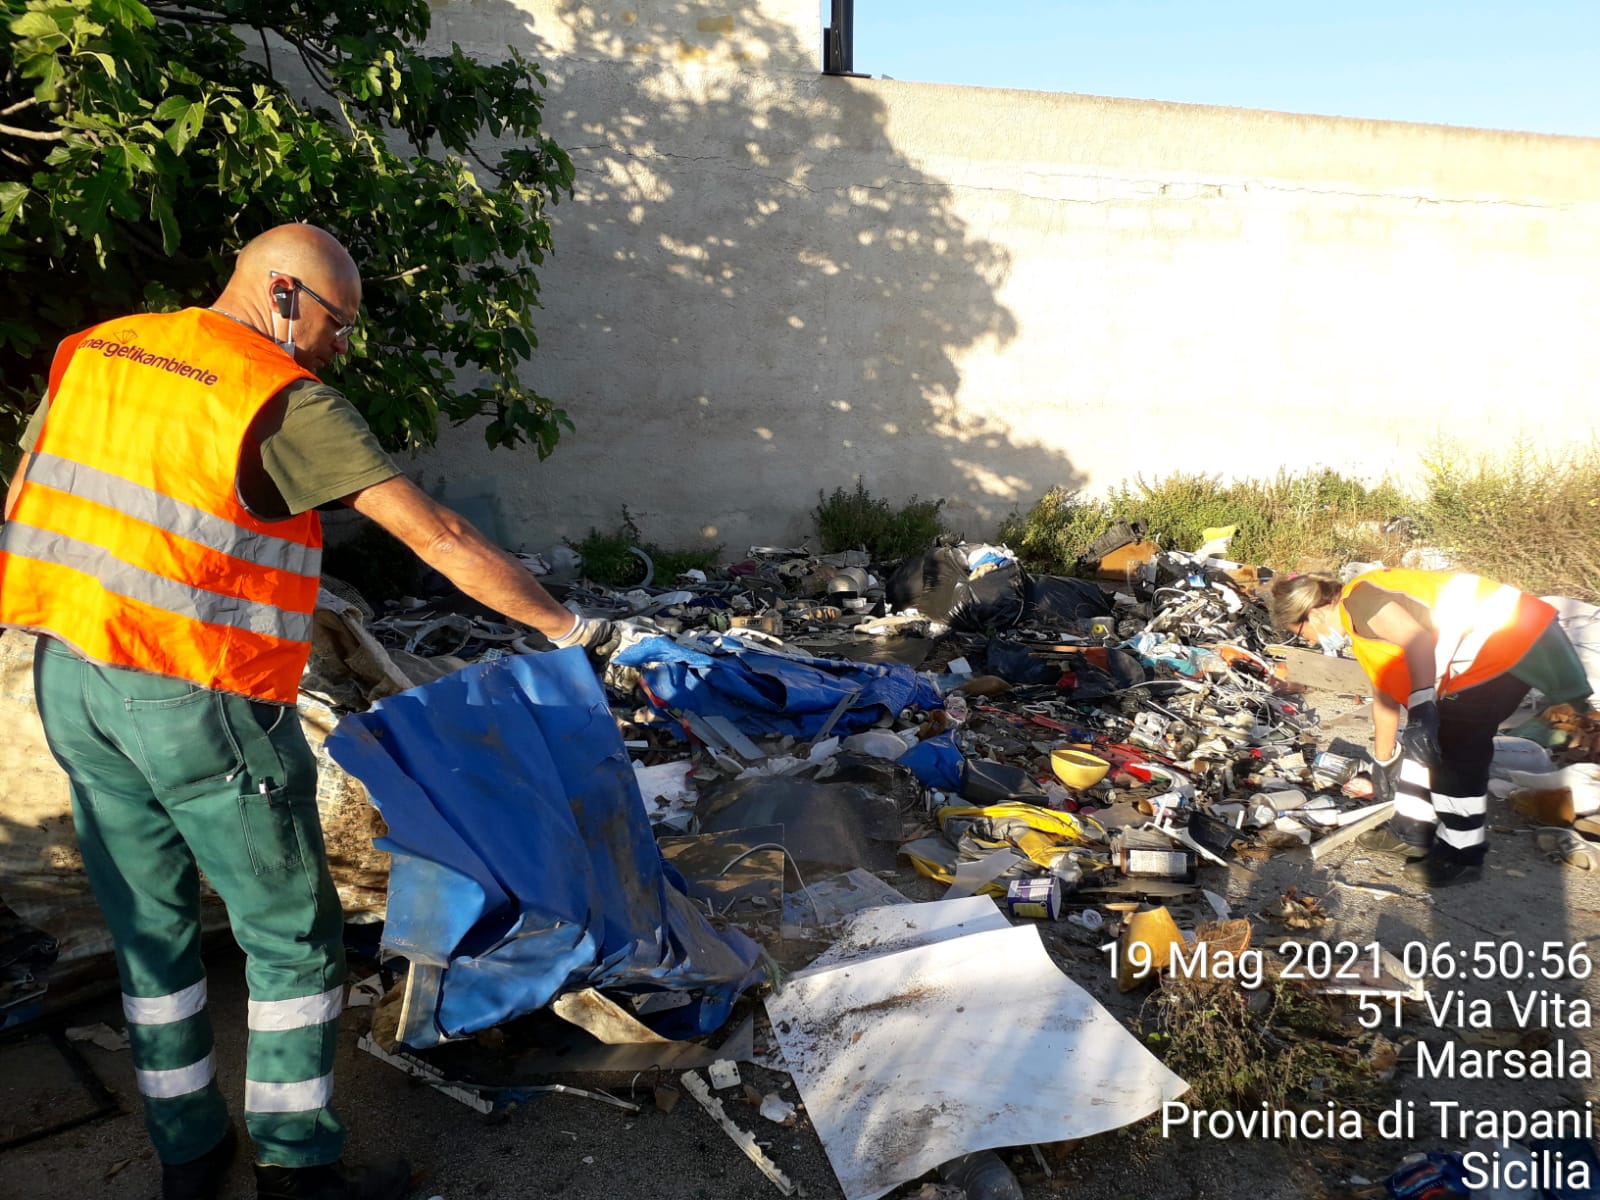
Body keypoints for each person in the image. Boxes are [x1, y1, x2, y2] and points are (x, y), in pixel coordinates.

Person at [0, 224, 614, 1200]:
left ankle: (189, 1158)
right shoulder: (273, 396)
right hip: (197, 695)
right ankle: (297, 1173)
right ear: (284, 295)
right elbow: (440, 535)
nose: (340, 346)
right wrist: (571, 629)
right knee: (289, 938)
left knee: (149, 933)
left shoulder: (101, 349)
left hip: (68, 677)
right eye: (338, 322)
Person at [1267, 568, 1592, 889]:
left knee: (1459, 745)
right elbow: (1385, 698)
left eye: (1298, 633)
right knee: (1428, 741)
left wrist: (1423, 708)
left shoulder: (1360, 600)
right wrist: (1384, 761)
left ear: (1312, 614)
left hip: (1510, 637)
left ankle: (1462, 854)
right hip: (1501, 641)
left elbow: (1419, 640)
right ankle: (1411, 830)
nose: (1306, 641)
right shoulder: (1360, 631)